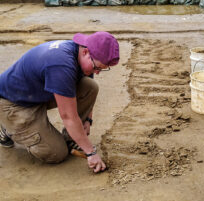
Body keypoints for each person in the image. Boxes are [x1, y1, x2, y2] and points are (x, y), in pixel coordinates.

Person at [0, 31, 119, 173]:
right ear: (86, 52)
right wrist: (91, 153)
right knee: (57, 153)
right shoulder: (62, 65)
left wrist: (88, 119)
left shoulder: (81, 53)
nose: (97, 72)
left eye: (102, 69)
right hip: (14, 104)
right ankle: (7, 128)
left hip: (37, 93)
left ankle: (71, 138)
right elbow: (68, 116)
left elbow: (87, 89)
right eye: (97, 68)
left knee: (89, 86)